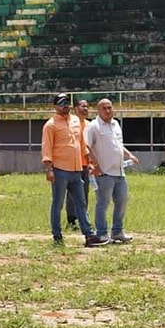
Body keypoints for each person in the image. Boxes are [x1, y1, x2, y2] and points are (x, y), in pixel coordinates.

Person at [41, 93, 109, 247]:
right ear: (55, 106)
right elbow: (47, 147)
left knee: (81, 203)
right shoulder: (50, 125)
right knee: (57, 204)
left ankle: (89, 235)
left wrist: (89, 161)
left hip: (77, 168)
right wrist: (49, 168)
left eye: (67, 102)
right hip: (59, 169)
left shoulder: (75, 121)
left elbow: (82, 144)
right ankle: (57, 236)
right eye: (61, 103)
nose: (65, 105)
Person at [86, 98, 139, 243]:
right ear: (98, 110)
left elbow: (118, 144)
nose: (108, 111)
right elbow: (86, 146)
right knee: (103, 203)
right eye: (104, 108)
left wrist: (129, 155)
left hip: (120, 172)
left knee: (122, 201)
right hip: (104, 173)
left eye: (110, 107)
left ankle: (117, 231)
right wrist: (95, 165)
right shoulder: (93, 126)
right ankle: (102, 233)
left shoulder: (116, 124)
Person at [64, 99, 94, 231]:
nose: (86, 109)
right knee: (72, 194)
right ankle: (71, 219)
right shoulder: (71, 123)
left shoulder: (89, 125)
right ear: (75, 108)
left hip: (86, 164)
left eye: (87, 106)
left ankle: (83, 218)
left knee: (85, 192)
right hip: (73, 163)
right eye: (83, 106)